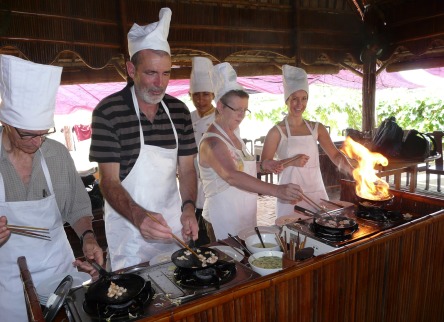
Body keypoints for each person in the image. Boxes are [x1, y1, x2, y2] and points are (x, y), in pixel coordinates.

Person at [89, 8, 199, 271]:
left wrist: (189, 208)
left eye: (166, 74)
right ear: (130, 69)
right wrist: (139, 217)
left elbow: (186, 170)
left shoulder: (179, 111)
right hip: (129, 232)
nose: (159, 83)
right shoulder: (108, 112)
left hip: (173, 228)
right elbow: (108, 180)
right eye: (150, 73)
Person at [0, 55, 103, 322]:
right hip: (7, 285)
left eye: (44, 132)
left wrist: (88, 236)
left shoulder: (56, 154)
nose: (37, 142)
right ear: (7, 124)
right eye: (28, 135)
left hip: (61, 275)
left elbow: (77, 207)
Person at [198, 62, 303, 241]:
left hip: (243, 214)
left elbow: (238, 164)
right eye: (236, 109)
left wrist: (262, 165)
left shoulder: (234, 135)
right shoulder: (212, 142)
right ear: (221, 107)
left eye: (245, 110)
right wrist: (277, 190)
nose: (241, 115)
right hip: (221, 217)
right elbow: (231, 175)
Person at [261, 65, 354, 217]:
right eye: (294, 99)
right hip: (289, 195)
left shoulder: (317, 128)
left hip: (316, 191)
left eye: (304, 99)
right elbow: (264, 168)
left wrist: (354, 172)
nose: (300, 104)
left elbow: (336, 156)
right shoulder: (276, 132)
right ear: (286, 100)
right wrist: (291, 161)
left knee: (319, 231)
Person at [189, 56, 215, 246]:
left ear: (213, 95)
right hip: (191, 179)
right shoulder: (188, 118)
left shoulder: (221, 117)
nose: (201, 99)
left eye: (205, 94)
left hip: (214, 181)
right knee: (194, 233)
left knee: (213, 229)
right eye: (196, 94)